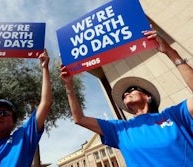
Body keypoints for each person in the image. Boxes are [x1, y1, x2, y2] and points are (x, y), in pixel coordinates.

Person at [60, 28, 193, 166]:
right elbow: (79, 119)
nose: (126, 93)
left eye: (132, 89)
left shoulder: (174, 115)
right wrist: (69, 86)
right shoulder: (119, 129)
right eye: (124, 94)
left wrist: (171, 53)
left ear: (148, 97)